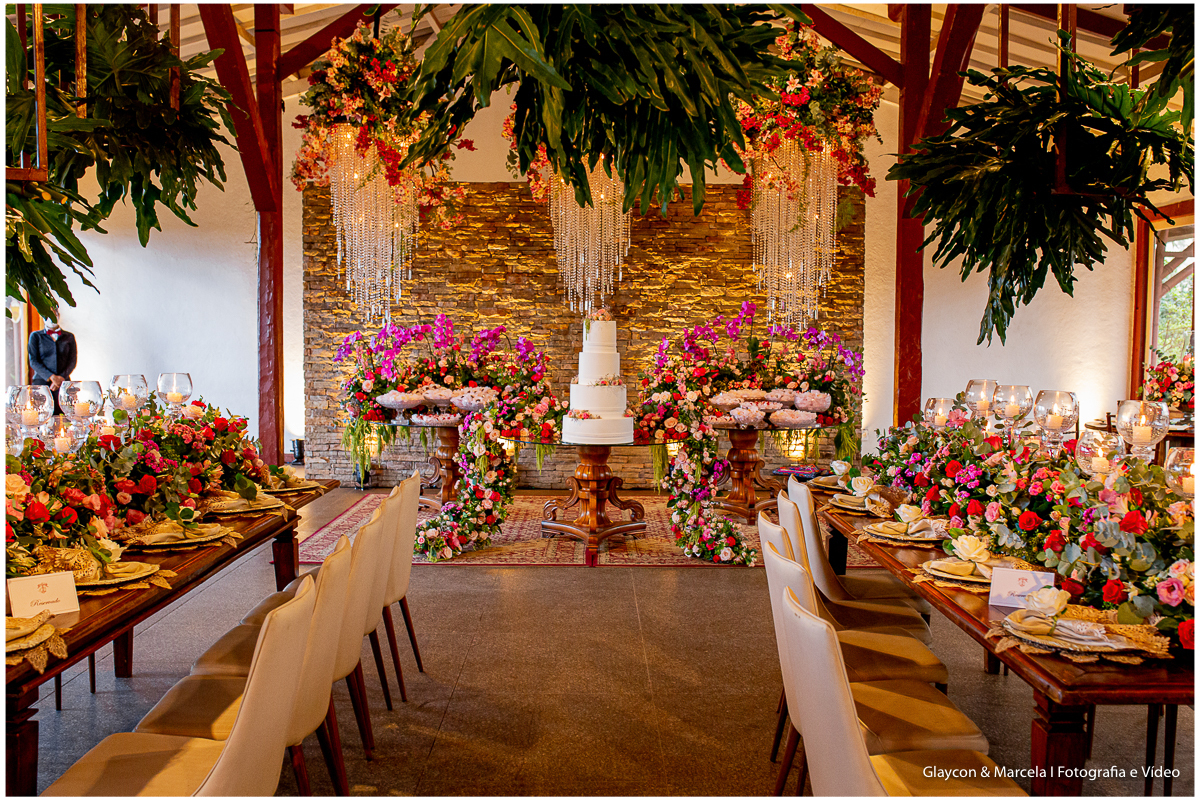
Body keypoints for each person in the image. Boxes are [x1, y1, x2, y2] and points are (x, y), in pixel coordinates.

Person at [28, 319, 78, 415]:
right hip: (41, 383)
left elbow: (72, 361)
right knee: (40, 414)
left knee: (63, 414)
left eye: (55, 313)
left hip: (63, 384)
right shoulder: (36, 336)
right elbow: (33, 361)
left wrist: (61, 378)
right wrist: (52, 377)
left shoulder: (69, 336)